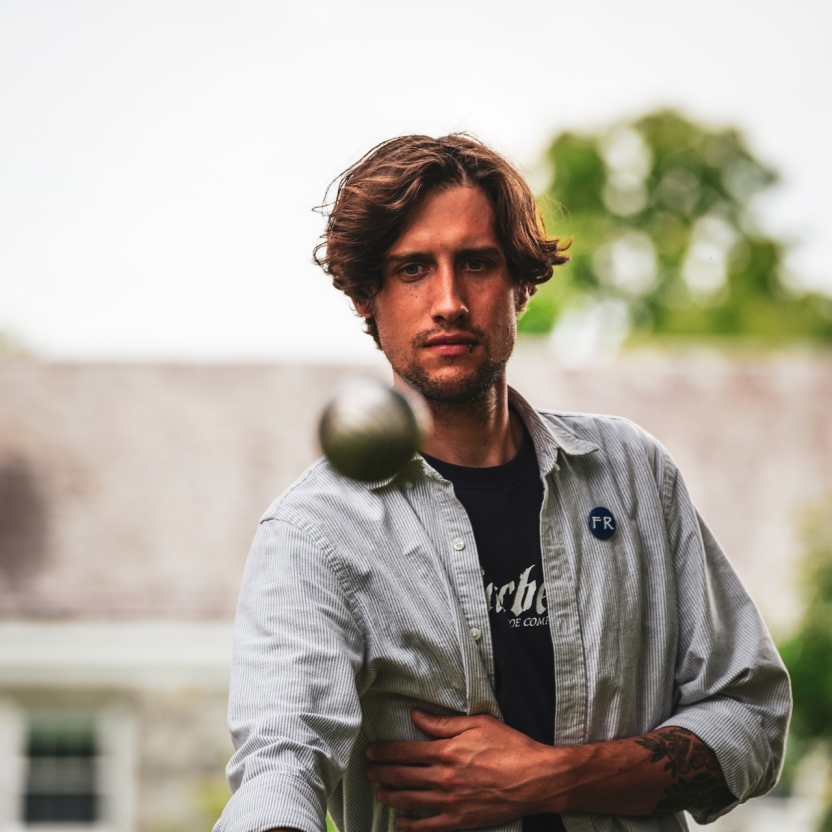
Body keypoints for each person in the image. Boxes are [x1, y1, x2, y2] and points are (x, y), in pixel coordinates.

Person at [216, 135, 791, 832]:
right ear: (368, 298)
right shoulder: (315, 534)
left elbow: (751, 720)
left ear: (521, 281)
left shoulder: (634, 475)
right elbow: (279, 768)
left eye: (477, 263)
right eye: (412, 270)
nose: (449, 301)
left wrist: (546, 778)